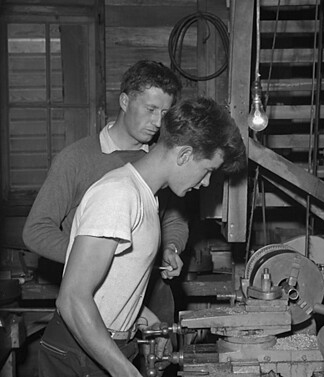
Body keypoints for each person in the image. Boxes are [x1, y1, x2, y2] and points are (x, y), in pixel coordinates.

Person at [38, 97, 247, 377]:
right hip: (79, 355)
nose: (206, 182)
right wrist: (124, 370)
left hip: (105, 345)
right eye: (208, 170)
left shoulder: (146, 197)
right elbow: (73, 299)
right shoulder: (118, 194)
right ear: (184, 155)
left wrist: (147, 319)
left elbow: (113, 283)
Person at [22, 59, 188, 280]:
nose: (158, 122)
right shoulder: (75, 159)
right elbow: (36, 231)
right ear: (124, 101)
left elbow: (173, 218)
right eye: (150, 109)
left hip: (152, 293)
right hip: (95, 297)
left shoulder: (161, 159)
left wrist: (171, 248)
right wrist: (92, 260)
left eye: (165, 113)